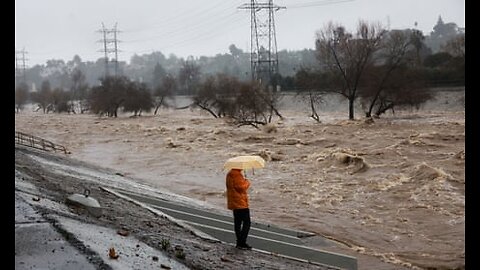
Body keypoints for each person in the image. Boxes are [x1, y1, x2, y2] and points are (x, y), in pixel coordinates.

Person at [226, 168, 252, 250]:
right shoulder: (237, 175)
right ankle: (242, 242)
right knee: (247, 222)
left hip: (234, 202)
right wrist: (247, 182)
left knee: (237, 223)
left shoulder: (229, 174)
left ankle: (239, 241)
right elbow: (241, 188)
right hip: (240, 203)